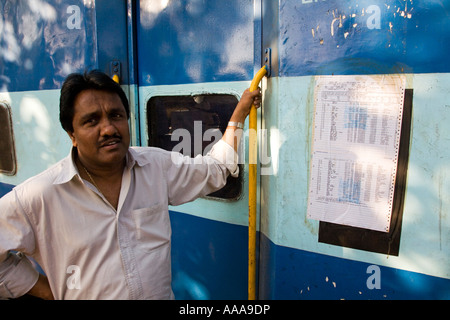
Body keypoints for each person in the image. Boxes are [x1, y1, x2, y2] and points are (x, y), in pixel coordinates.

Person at [0, 70, 262, 300]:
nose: (108, 129)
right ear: (72, 134)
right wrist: (46, 290)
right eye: (91, 121)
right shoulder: (39, 196)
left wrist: (238, 115)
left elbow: (215, 169)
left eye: (116, 115)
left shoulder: (155, 167)